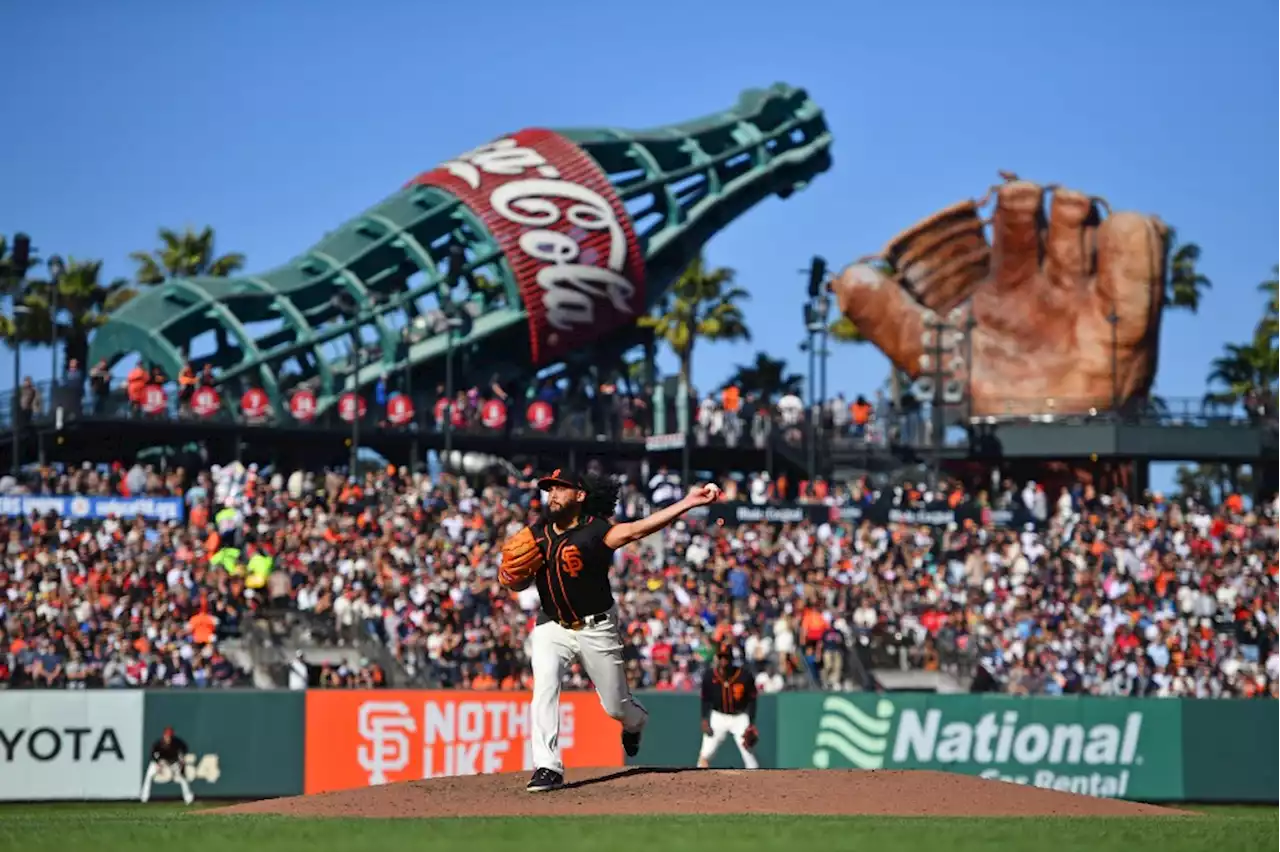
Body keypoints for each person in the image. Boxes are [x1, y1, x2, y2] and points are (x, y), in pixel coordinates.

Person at [521, 469, 721, 793]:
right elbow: (515, 577)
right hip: (551, 625)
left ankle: (636, 721)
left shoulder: (596, 531)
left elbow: (637, 530)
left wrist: (687, 502)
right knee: (544, 686)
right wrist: (512, 575)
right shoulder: (537, 533)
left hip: (595, 628)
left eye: (560, 488)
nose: (553, 494)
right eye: (549, 489)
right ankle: (547, 766)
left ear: (580, 495)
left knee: (615, 706)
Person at [696, 644, 760, 769]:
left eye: (726, 657)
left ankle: (756, 786)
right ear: (717, 658)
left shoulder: (744, 676)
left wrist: (751, 723)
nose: (723, 661)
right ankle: (699, 786)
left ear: (732, 659)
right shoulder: (710, 676)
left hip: (740, 717)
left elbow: (752, 700)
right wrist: (704, 718)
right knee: (705, 754)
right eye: (721, 657)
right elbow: (705, 700)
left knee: (749, 756)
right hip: (718, 717)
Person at [140, 726, 195, 804]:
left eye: (169, 736)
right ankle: (144, 797)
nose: (167, 737)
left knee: (182, 778)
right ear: (164, 735)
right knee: (149, 774)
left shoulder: (177, 743)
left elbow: (184, 748)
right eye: (166, 736)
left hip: (172, 763)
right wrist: (157, 763)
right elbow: (152, 754)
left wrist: (181, 758)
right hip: (160, 762)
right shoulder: (158, 744)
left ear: (172, 736)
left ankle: (188, 798)